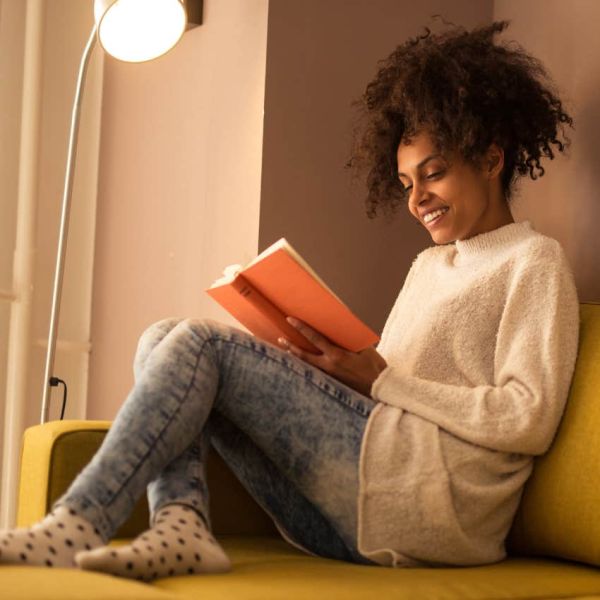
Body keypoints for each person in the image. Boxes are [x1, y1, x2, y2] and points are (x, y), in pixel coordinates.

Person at [0, 18, 580, 579]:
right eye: (406, 183)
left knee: (199, 342)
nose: (417, 199)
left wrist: (378, 380)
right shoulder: (429, 265)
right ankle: (181, 526)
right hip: (354, 510)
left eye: (433, 174)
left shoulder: (532, 261)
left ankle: (79, 519)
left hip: (437, 511)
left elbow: (527, 418)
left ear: (490, 158)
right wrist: (319, 364)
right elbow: (387, 392)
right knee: (162, 337)